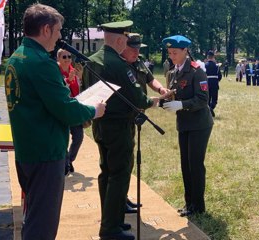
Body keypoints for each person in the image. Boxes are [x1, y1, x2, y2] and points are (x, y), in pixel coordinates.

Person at [4, 4, 106, 240]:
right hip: (46, 154)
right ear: (47, 29)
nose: (61, 36)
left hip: (28, 150)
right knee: (42, 226)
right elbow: (65, 110)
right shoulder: (41, 62)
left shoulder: (17, 57)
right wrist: (93, 110)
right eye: (59, 30)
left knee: (34, 216)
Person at [84, 21, 159, 240]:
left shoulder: (92, 60)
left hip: (101, 124)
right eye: (126, 39)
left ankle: (112, 219)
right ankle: (110, 229)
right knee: (119, 175)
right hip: (118, 127)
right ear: (119, 40)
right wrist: (152, 102)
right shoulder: (118, 65)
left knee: (106, 173)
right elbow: (139, 98)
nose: (127, 43)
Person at [161, 35, 213, 216]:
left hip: (199, 124)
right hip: (184, 123)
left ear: (185, 51)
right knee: (185, 164)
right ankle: (189, 203)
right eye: (169, 53)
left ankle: (198, 206)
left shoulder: (197, 71)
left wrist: (182, 105)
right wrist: (169, 98)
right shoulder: (175, 71)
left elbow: (202, 99)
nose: (172, 56)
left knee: (195, 164)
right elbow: (178, 91)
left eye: (175, 52)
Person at [121, 33, 170, 214]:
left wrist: (160, 88)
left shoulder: (139, 61)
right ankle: (119, 200)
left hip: (136, 115)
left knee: (129, 159)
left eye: (138, 49)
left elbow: (150, 79)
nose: (136, 52)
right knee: (123, 160)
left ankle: (123, 197)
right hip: (125, 115)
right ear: (123, 47)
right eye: (132, 48)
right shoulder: (119, 66)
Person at [57, 49, 85, 175]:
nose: (68, 59)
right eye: (64, 57)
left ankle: (68, 160)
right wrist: (68, 80)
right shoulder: (55, 71)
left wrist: (79, 79)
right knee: (63, 138)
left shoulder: (74, 70)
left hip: (74, 108)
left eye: (69, 56)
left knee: (79, 137)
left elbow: (79, 90)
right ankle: (64, 163)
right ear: (58, 58)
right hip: (62, 109)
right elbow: (58, 91)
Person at [205, 50, 222, 117]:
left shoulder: (204, 65)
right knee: (214, 99)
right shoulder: (217, 66)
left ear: (208, 57)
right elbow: (220, 76)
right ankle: (211, 108)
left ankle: (209, 109)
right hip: (214, 83)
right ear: (213, 57)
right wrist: (216, 80)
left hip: (206, 83)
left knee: (208, 98)